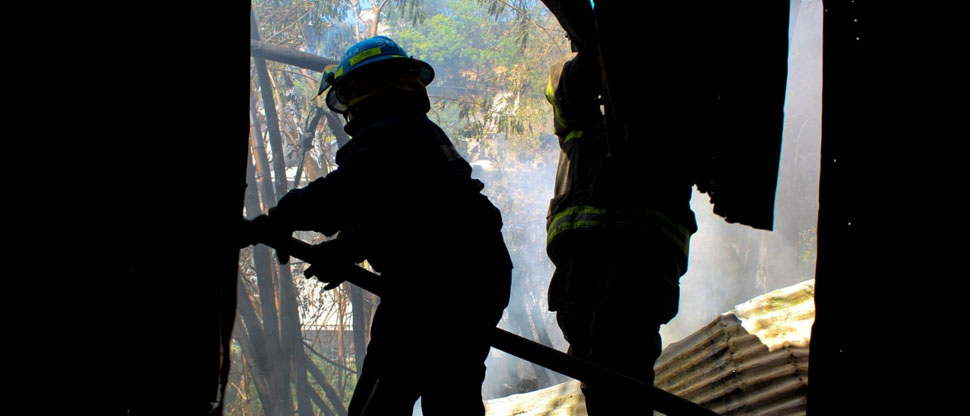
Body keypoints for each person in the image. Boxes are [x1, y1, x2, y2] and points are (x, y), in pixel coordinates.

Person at [253, 36, 513, 416]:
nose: (349, 112)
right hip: (477, 277)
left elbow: (346, 193)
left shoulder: (389, 133)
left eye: (350, 95)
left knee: (382, 401)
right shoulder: (420, 133)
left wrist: (280, 218)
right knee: (452, 396)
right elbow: (412, 215)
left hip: (431, 289)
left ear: (364, 89)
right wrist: (348, 248)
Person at [543, 50, 698, 415]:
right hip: (584, 244)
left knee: (624, 354)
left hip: (642, 245)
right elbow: (565, 96)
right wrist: (597, 49)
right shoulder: (573, 68)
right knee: (589, 355)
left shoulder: (679, 63)